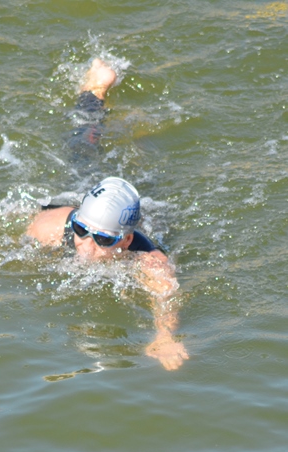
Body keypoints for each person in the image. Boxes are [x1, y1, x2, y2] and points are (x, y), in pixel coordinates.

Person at [27, 59, 189, 371]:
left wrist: (165, 336)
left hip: (133, 207)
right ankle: (95, 88)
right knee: (81, 144)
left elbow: (166, 298)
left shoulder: (148, 259)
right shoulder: (52, 227)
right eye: (81, 230)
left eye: (101, 239)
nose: (85, 245)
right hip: (83, 192)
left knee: (144, 166)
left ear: (126, 240)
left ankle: (137, 132)